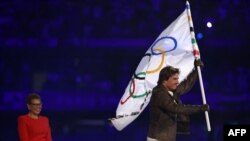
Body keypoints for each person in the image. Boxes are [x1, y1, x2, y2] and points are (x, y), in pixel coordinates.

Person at [147, 59, 209, 141]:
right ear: (164, 81)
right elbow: (177, 108)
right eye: (174, 79)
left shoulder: (171, 89)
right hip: (158, 138)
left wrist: (196, 70)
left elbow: (186, 85)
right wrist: (200, 108)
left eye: (177, 79)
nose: (177, 82)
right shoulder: (159, 94)